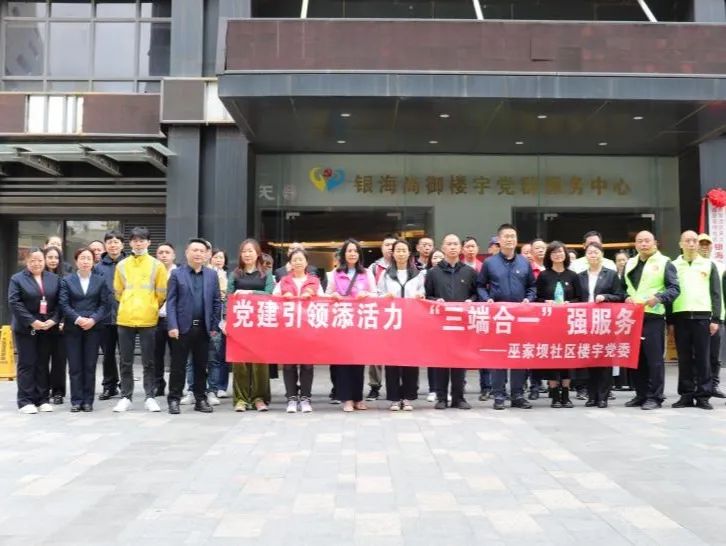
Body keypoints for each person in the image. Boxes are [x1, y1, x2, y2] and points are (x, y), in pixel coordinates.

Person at [477, 223, 536, 410]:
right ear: (499, 240)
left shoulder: (524, 263)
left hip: (519, 318)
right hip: (499, 318)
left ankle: (517, 394)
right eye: (506, 236)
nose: (510, 239)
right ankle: (499, 395)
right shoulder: (489, 263)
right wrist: (486, 299)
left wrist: (528, 299)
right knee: (498, 357)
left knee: (518, 355)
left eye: (513, 236)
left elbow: (532, 286)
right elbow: (480, 285)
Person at [112, 227, 168, 413]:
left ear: (149, 242)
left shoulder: (157, 265)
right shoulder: (122, 265)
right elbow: (118, 292)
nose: (138, 243)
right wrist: (128, 303)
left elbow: (162, 293)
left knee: (149, 361)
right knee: (125, 361)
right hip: (125, 317)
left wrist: (151, 306)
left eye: (142, 240)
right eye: (135, 240)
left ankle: (150, 396)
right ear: (130, 243)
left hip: (148, 318)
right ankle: (125, 396)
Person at [623, 231, 679, 410]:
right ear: (635, 244)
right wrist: (625, 297)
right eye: (640, 241)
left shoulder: (665, 262)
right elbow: (622, 287)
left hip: (653, 316)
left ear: (655, 242)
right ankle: (641, 394)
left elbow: (674, 288)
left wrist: (659, 298)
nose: (643, 244)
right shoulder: (630, 263)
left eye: (647, 241)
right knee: (637, 358)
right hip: (633, 317)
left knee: (654, 359)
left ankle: (655, 397)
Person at [166, 239, 222, 415]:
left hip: (204, 328)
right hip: (181, 328)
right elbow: (171, 302)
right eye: (195, 250)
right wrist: (172, 325)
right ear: (187, 253)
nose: (198, 254)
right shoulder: (177, 274)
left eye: (201, 251)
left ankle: (200, 399)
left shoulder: (211, 275)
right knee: (178, 366)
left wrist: (214, 325)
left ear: (206, 255)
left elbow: (216, 302)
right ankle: (174, 399)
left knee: (201, 366)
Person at [668, 230, 721, 410]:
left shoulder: (708, 265)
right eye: (687, 241)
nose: (691, 244)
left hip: (702, 317)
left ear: (698, 244)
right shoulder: (673, 265)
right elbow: (669, 293)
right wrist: (670, 321)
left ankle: (703, 395)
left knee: (703, 358)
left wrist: (715, 319)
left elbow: (716, 293)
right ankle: (686, 395)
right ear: (680, 244)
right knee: (684, 358)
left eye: (694, 240)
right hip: (680, 317)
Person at [425, 234, 478, 410]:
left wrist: (471, 300)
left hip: (461, 324)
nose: (453, 247)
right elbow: (427, 296)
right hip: (440, 324)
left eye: (455, 244)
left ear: (460, 248)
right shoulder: (433, 273)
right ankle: (441, 397)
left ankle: (459, 397)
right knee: (441, 361)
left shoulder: (469, 272)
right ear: (443, 247)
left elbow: (476, 294)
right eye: (449, 244)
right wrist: (435, 300)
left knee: (459, 361)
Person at [327, 238, 378, 412]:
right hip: (342, 321)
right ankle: (346, 398)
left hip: (360, 322)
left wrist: (367, 295)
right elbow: (327, 294)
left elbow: (375, 294)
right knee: (343, 361)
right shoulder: (334, 274)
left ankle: (358, 397)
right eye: (349, 250)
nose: (352, 254)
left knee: (358, 360)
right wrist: (333, 295)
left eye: (355, 251)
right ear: (343, 254)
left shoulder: (366, 273)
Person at [9, 248, 60, 414]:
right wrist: (32, 321)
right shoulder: (17, 279)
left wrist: (53, 320)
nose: (36, 263)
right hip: (26, 329)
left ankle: (42, 399)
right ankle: (25, 401)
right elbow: (14, 302)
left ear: (44, 261)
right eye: (32, 260)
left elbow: (61, 302)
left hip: (47, 327)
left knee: (42, 363)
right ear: (26, 261)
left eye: (40, 260)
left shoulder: (54, 278)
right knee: (27, 363)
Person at [59, 247, 110, 412]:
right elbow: (63, 304)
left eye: (89, 258)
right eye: (82, 258)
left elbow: (104, 304)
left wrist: (93, 319)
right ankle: (76, 400)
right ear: (76, 261)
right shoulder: (67, 280)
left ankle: (88, 401)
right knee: (74, 366)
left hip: (93, 328)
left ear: (94, 261)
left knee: (89, 365)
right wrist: (78, 319)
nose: (85, 261)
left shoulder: (100, 280)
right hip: (73, 328)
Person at [227, 238, 275, 412]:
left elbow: (270, 294)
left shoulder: (266, 274)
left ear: (257, 254)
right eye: (244, 251)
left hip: (260, 323)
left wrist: (249, 292)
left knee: (260, 363)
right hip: (240, 323)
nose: (247, 254)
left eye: (250, 251)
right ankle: (241, 399)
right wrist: (226, 321)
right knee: (240, 362)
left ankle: (259, 398)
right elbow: (228, 298)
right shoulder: (235, 274)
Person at [274, 248, 324, 413]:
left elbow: (323, 301)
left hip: (308, 329)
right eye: (294, 259)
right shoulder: (283, 281)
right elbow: (273, 300)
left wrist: (312, 296)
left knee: (307, 365)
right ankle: (291, 398)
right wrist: (283, 298)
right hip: (288, 329)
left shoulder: (314, 281)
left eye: (300, 259)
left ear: (306, 262)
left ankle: (306, 398)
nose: (297, 262)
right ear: (290, 263)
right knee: (289, 365)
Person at [577, 241, 626, 408]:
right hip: (586, 322)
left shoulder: (611, 274)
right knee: (590, 359)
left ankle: (603, 396)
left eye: (596, 252)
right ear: (586, 256)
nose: (593, 255)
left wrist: (605, 297)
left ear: (602, 255)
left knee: (605, 359)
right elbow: (577, 298)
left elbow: (620, 296)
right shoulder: (580, 276)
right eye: (589, 252)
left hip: (605, 322)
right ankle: (592, 396)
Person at [378, 239, 425, 411]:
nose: (401, 253)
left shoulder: (417, 274)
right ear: (393, 253)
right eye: (398, 250)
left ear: (409, 253)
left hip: (412, 323)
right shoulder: (386, 274)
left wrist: (420, 296)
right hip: (392, 322)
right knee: (392, 360)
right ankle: (394, 398)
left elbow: (423, 292)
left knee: (410, 360)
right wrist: (385, 297)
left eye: (404, 250)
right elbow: (378, 293)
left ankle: (408, 397)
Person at [535, 241, 583, 408]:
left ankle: (566, 394)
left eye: (560, 252)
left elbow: (580, 299)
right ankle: (555, 394)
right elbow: (536, 298)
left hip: (569, 324)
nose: (557, 255)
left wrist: (570, 303)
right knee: (552, 357)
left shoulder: (573, 276)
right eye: (554, 252)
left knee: (567, 357)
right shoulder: (543, 276)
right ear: (549, 256)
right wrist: (545, 302)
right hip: (549, 324)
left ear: (565, 254)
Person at [95, 230, 127, 400]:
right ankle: (109, 386)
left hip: (126, 317)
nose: (113, 245)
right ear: (105, 245)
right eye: (109, 242)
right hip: (105, 318)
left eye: (116, 242)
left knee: (125, 354)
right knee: (107, 355)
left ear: (122, 245)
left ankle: (126, 386)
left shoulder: (130, 264)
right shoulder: (97, 267)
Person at [366, 234, 397, 400]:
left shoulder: (407, 266)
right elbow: (371, 290)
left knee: (397, 350)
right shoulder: (373, 268)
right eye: (387, 245)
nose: (390, 247)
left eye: (393, 245)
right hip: (378, 313)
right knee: (375, 352)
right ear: (381, 248)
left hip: (399, 314)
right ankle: (374, 386)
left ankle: (397, 386)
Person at [697, 233, 726, 398]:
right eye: (701, 244)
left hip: (718, 317)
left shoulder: (721, 267)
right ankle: (698, 385)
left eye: (707, 244)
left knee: (715, 355)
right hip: (698, 316)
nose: (704, 247)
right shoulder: (692, 266)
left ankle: (714, 385)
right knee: (698, 354)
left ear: (712, 246)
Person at [44, 246, 68, 404]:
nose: (53, 260)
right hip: (42, 324)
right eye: (50, 257)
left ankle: (58, 391)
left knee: (59, 360)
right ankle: (43, 390)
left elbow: (65, 302)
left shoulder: (64, 278)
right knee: (42, 359)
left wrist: (61, 320)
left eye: (56, 257)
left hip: (59, 324)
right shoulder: (37, 277)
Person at [153, 242, 177, 397]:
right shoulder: (152, 273)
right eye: (160, 252)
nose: (164, 255)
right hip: (156, 319)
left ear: (173, 255)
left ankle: (175, 386)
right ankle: (158, 384)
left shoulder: (179, 273)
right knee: (156, 355)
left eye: (167, 252)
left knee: (176, 355)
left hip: (174, 320)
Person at [208, 248, 230, 400]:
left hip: (227, 315)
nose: (218, 260)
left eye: (221, 257)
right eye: (216, 257)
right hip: (213, 316)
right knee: (212, 353)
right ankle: (210, 386)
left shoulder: (229, 276)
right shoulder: (208, 275)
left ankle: (222, 386)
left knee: (224, 353)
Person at [612, 249, 636, 392]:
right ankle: (619, 382)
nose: (622, 263)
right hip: (617, 317)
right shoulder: (613, 277)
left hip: (631, 317)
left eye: (624, 260)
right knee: (618, 349)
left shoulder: (632, 275)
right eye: (619, 260)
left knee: (630, 347)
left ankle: (632, 382)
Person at [426, 249, 446, 402]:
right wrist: (435, 301)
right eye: (435, 257)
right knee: (433, 357)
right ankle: (433, 389)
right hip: (432, 320)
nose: (438, 260)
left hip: (450, 320)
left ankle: (448, 389)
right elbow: (427, 295)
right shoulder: (429, 274)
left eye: (440, 257)